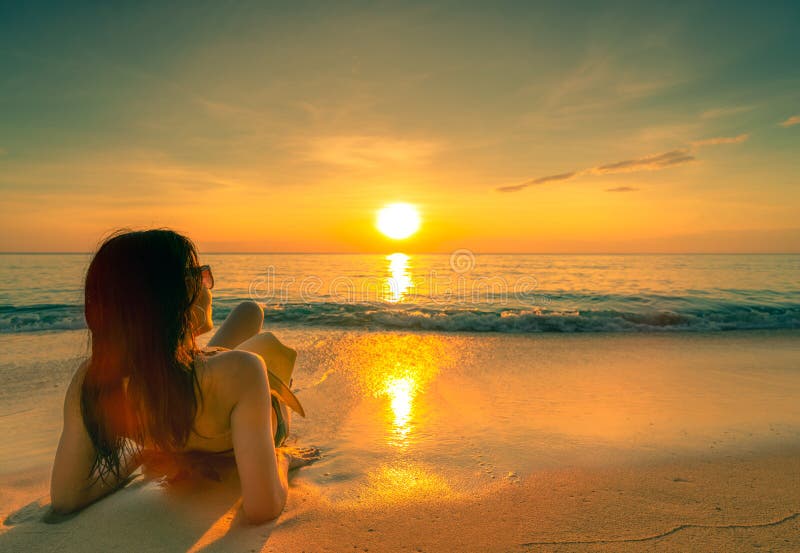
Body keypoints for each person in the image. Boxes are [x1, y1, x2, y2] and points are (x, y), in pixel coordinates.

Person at [49, 229, 319, 523]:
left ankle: (187, 350)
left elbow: (66, 499)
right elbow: (262, 508)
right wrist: (284, 458)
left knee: (249, 311)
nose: (208, 285)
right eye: (202, 277)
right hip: (238, 398)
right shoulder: (244, 370)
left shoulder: (94, 380)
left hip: (176, 380)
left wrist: (138, 457)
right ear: (182, 291)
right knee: (262, 337)